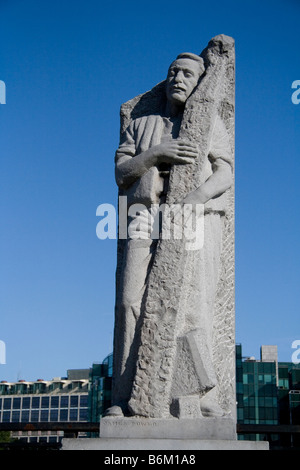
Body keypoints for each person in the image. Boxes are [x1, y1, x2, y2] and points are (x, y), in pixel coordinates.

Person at [107, 53, 233, 417]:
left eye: (188, 74)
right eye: (173, 72)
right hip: (143, 214)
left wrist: (195, 199)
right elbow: (121, 173)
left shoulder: (208, 125)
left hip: (190, 216)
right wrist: (157, 153)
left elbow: (225, 174)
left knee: (193, 304)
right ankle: (123, 395)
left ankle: (196, 395)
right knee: (129, 301)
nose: (178, 78)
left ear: (198, 85)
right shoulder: (140, 124)